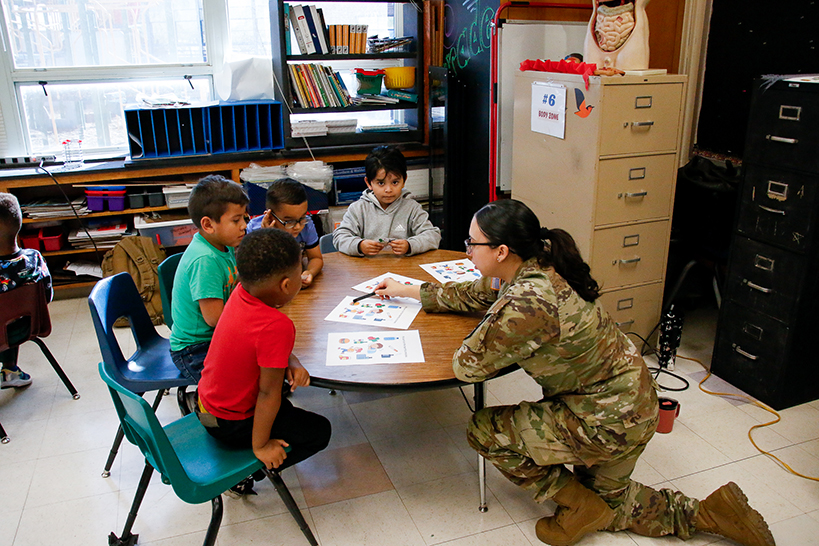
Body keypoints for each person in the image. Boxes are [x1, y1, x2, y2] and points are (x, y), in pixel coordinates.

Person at [375, 199, 774, 546]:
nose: (466, 252)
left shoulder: (528, 302)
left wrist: (491, 324)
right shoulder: (541, 264)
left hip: (604, 421)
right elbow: (479, 293)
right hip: (634, 403)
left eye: (471, 244)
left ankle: (579, 506)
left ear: (500, 251)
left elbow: (467, 366)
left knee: (483, 429)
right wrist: (411, 291)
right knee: (615, 507)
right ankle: (709, 513)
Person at [196, 228, 331, 495]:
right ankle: (247, 474)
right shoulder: (277, 326)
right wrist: (261, 445)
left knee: (282, 393)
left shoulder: (240, 292)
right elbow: (268, 394)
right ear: (286, 285)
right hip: (231, 424)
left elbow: (260, 345)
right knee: (320, 431)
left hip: (206, 406)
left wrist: (290, 360)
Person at [169, 175, 248, 383]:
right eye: (236, 220)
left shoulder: (223, 243)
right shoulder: (205, 260)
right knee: (244, 381)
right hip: (195, 349)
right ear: (208, 225)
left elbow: (236, 282)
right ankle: (203, 405)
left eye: (244, 218)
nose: (243, 226)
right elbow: (215, 319)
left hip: (213, 337)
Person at [333, 145, 441, 256]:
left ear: (404, 181)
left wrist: (410, 245)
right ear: (369, 183)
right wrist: (359, 245)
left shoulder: (412, 208)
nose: (388, 190)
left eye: (395, 182)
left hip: (403, 269)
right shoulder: (358, 209)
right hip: (367, 269)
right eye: (381, 183)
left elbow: (433, 235)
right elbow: (340, 237)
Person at [0, 193, 52, 389]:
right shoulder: (35, 259)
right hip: (26, 326)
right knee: (8, 316)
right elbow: (47, 296)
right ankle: (10, 370)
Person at [246, 178, 323, 287]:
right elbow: (255, 272)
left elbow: (316, 258)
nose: (297, 226)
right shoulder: (254, 231)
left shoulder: (306, 224)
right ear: (270, 216)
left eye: (302, 218)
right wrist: (267, 239)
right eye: (289, 221)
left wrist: (310, 272)